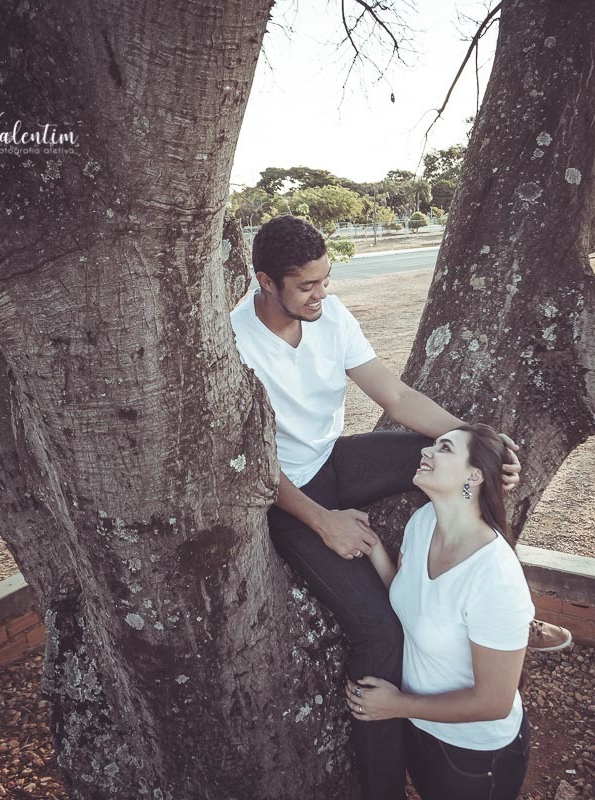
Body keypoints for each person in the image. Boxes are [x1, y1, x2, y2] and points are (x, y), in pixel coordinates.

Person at [229, 215, 567, 798]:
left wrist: (481, 443)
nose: (321, 294)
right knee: (379, 631)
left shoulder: (329, 317)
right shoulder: (233, 343)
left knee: (444, 456)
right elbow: (248, 466)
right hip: (288, 493)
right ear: (265, 281)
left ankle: (498, 613)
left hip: (333, 458)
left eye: (325, 279)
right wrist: (321, 520)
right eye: (307, 286)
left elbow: (397, 395)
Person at [346, 424, 533, 800]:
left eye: (443, 448)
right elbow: (410, 597)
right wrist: (374, 548)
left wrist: (397, 706)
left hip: (476, 755)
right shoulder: (423, 522)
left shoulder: (495, 576)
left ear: (474, 475)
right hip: (421, 729)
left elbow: (494, 702)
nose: (426, 452)